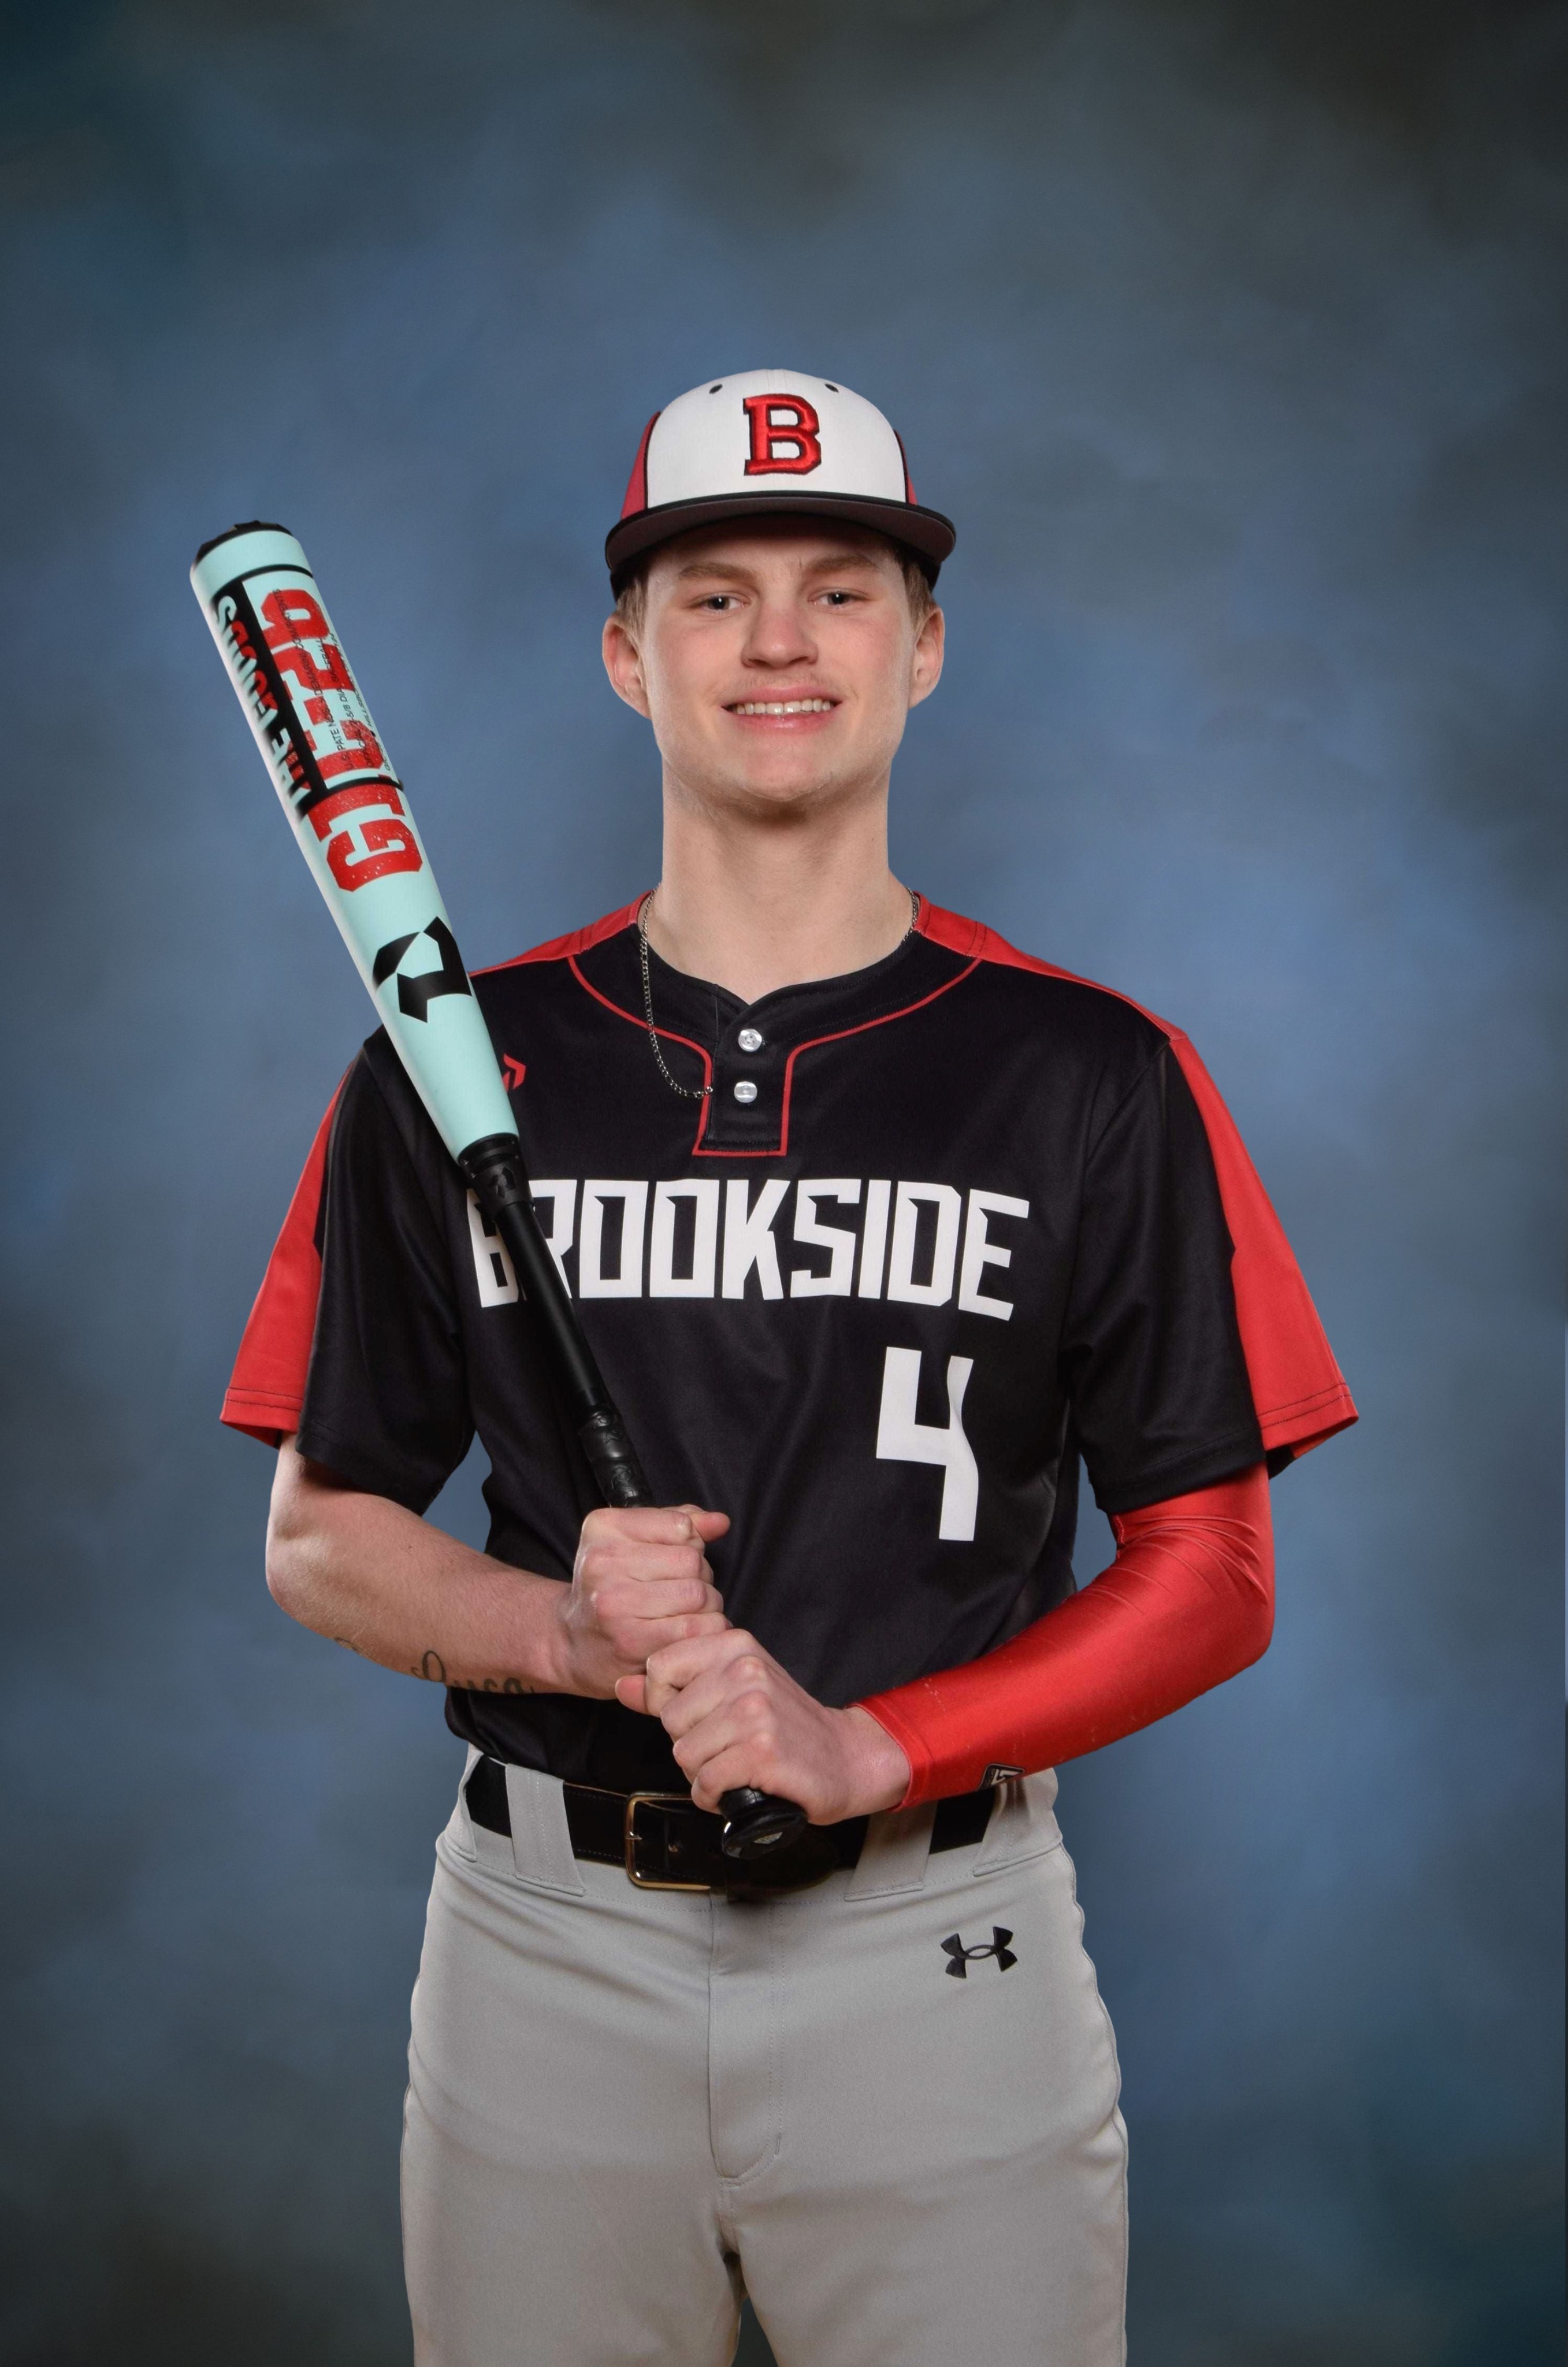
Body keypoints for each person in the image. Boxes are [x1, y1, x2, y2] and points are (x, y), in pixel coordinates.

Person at [222, 370, 1356, 2367]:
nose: (777, 642)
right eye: (713, 594)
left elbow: (1215, 1573)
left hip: (937, 1950)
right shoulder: (449, 1063)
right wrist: (562, 1636)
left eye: (839, 590)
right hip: (541, 1953)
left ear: (923, 647)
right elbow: (319, 1536)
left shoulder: (1090, 1070)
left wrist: (873, 1746)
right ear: (625, 655)